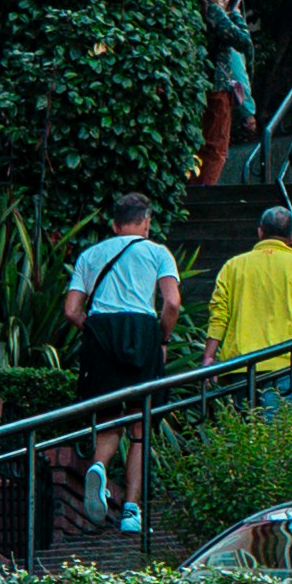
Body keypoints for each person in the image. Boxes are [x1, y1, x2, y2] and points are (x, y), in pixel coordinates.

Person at [64, 192, 185, 543]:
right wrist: (160, 338)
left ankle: (98, 467)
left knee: (107, 418)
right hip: (142, 333)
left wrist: (96, 331)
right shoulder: (158, 252)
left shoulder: (90, 255)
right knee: (139, 425)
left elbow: (72, 310)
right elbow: (172, 303)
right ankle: (131, 511)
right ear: (146, 222)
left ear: (114, 224)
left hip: (100, 332)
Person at [199, 202, 292, 394]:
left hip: (240, 364)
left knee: (244, 422)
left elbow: (219, 316)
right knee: (278, 423)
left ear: (260, 232)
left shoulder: (233, 267)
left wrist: (209, 357)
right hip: (288, 362)